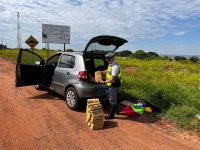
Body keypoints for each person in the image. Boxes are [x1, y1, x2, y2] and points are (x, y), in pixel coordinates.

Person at [100, 52, 122, 119]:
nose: (107, 61)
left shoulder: (115, 67)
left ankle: (111, 115)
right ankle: (115, 111)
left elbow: (112, 79)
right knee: (112, 98)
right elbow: (109, 72)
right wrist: (102, 72)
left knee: (112, 100)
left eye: (108, 59)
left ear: (113, 58)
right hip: (110, 84)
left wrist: (103, 81)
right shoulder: (111, 65)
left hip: (113, 85)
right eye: (107, 59)